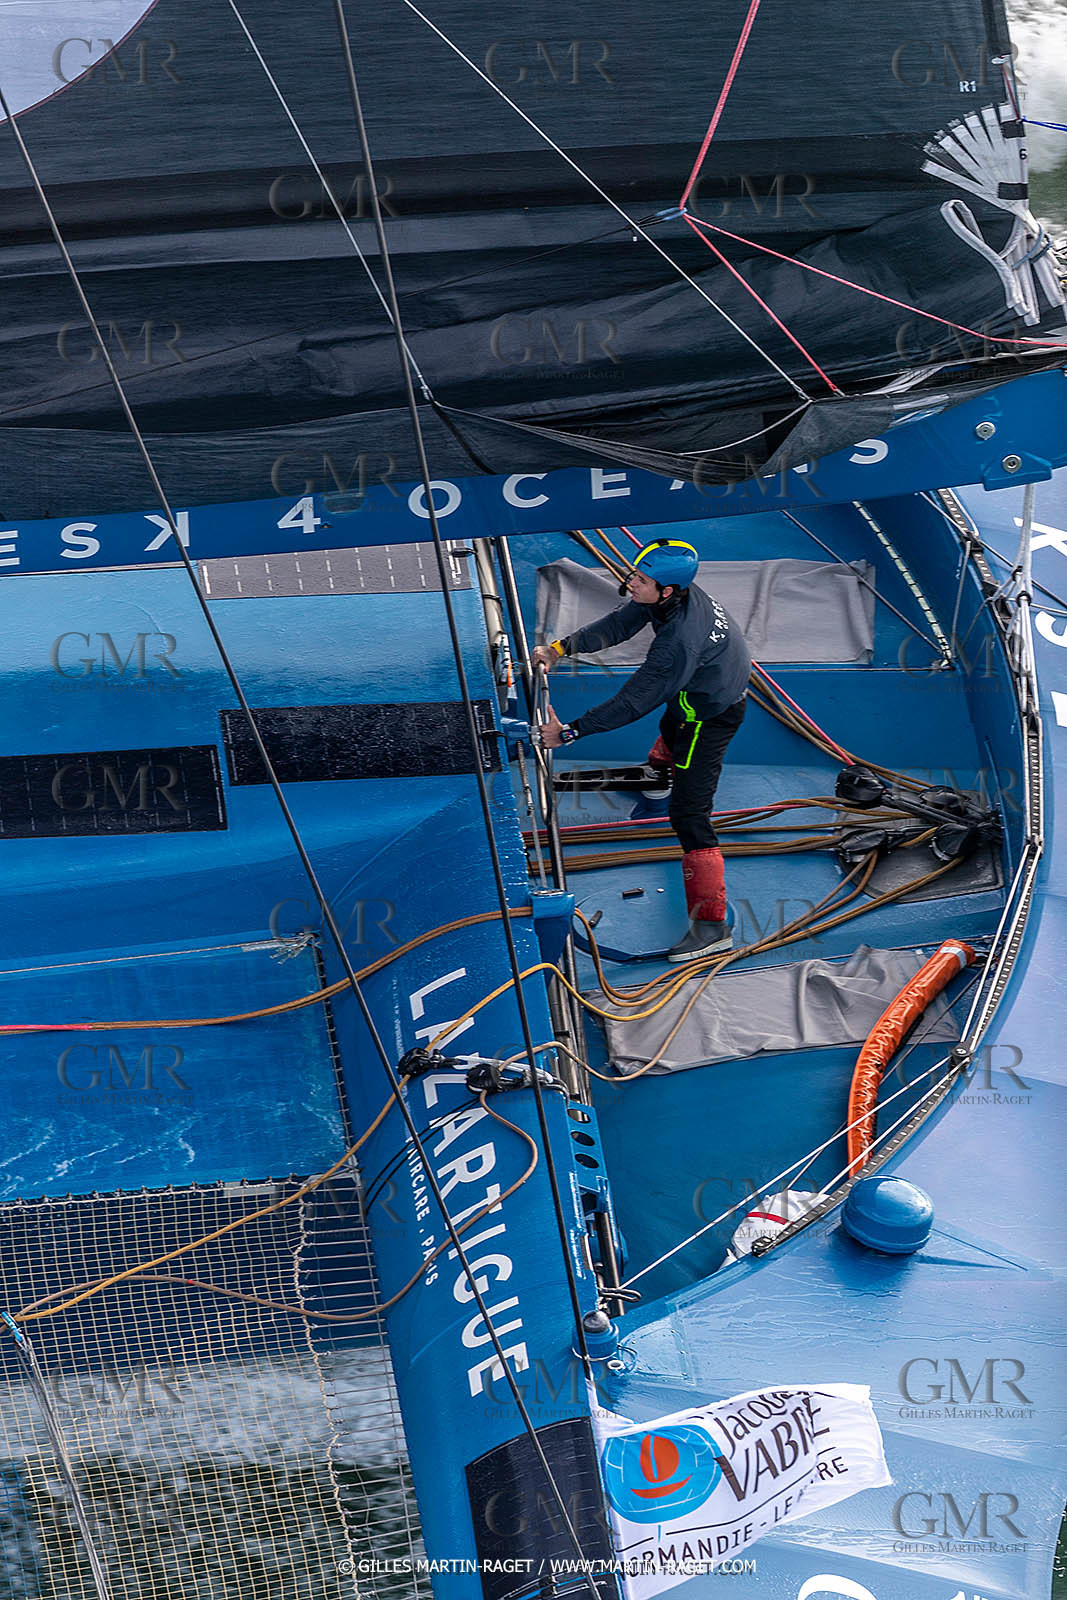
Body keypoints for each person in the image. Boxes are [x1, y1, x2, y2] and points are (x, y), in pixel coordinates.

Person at [534, 538, 751, 963]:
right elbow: (620, 623)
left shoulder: (678, 643)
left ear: (667, 590)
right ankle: (656, 782)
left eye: (640, 580)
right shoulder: (671, 596)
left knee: (690, 816)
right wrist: (560, 649)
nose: (631, 583)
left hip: (710, 715)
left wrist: (570, 732)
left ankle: (712, 927)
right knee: (670, 724)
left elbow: (633, 701)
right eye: (634, 574)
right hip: (695, 689)